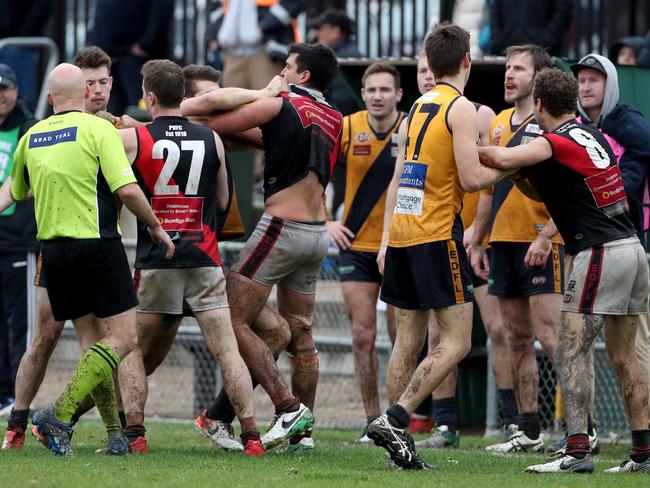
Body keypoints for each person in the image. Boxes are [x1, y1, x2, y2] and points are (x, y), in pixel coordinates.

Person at [480, 67, 650, 474]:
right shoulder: (591, 134)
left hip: (600, 253)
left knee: (570, 350)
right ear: (572, 102)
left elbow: (500, 157)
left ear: (538, 104)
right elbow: (552, 183)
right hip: (633, 250)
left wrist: (466, 139)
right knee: (625, 356)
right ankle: (643, 453)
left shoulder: (553, 140)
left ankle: (577, 451)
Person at [181, 42, 342, 451]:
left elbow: (205, 112)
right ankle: (299, 435)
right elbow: (267, 139)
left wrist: (262, 93)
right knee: (299, 338)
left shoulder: (282, 103)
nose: (281, 73)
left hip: (281, 230)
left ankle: (287, 408)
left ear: (302, 76)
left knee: (230, 317)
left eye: (287, 68)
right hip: (316, 235)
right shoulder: (333, 116)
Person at [8, 63, 174, 456]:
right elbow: (128, 190)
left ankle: (115, 435)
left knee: (91, 344)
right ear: (84, 94)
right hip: (97, 245)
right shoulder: (99, 129)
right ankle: (59, 412)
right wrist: (155, 225)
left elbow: (14, 192)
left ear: (50, 99)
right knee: (125, 338)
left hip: (54, 252)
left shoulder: (31, 135)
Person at [365, 23, 510, 470]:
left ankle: (398, 445)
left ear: (429, 63)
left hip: (406, 234)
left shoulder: (417, 107)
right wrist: (509, 168)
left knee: (406, 342)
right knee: (458, 341)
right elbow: (469, 179)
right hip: (436, 235)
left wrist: (391, 236)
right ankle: (396, 418)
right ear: (468, 61)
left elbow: (410, 174)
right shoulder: (461, 107)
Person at [116, 59, 264, 456]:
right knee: (227, 349)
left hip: (156, 260)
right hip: (204, 256)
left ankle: (135, 434)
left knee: (131, 348)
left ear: (149, 96)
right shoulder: (211, 139)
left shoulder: (134, 139)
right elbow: (221, 200)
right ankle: (251, 436)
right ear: (184, 96)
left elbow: (119, 192)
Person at [467, 45, 564, 454]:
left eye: (518, 68)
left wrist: (548, 236)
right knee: (515, 338)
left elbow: (569, 192)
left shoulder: (553, 125)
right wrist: (477, 236)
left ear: (538, 77)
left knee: (553, 337)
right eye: (507, 67)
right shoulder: (499, 122)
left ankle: (584, 430)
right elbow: (489, 187)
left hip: (542, 240)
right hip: (502, 242)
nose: (508, 75)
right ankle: (527, 431)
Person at [571, 52, 650, 440]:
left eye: (594, 80)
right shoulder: (583, 128)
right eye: (581, 81)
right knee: (585, 343)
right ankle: (586, 431)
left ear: (611, 85)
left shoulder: (623, 119)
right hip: (597, 246)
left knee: (635, 346)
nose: (585, 87)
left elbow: (641, 154)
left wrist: (623, 180)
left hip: (629, 246)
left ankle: (644, 433)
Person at [325, 62, 404, 442]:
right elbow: (313, 172)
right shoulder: (349, 125)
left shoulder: (409, 127)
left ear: (398, 95)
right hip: (354, 245)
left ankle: (398, 421)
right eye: (371, 89)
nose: (377, 96)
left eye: (385, 90)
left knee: (399, 338)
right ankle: (372, 422)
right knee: (362, 336)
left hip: (397, 246)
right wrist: (326, 221)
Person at [0, 64, 38, 416]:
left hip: (18, 241)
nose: (0, 95)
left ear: (16, 91)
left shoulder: (30, 129)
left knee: (20, 322)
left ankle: (17, 395)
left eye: (5, 88)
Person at [92, 0, 174, 115]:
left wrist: (146, 44)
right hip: (110, 57)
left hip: (135, 57)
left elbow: (163, 9)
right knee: (113, 114)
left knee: (141, 112)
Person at [489, 0, 573, 56]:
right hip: (506, 54)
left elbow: (563, 12)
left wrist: (543, 45)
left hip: (544, 58)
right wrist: (497, 43)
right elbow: (495, 11)